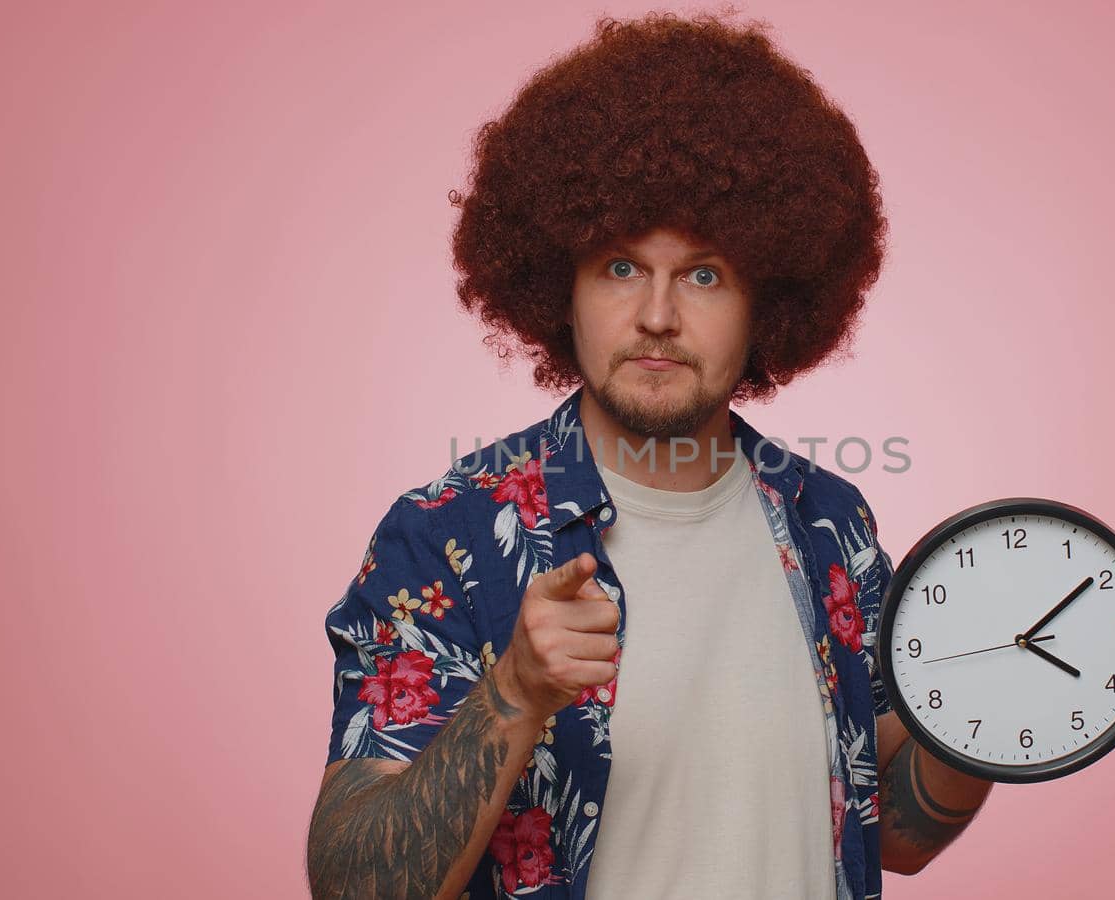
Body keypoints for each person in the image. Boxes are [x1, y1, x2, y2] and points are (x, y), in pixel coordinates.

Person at [305, 11, 993, 899]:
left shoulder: (831, 525)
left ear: (768, 299)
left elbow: (894, 830)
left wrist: (986, 705)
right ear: (563, 285)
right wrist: (513, 692)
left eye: (704, 274)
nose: (659, 315)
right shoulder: (446, 536)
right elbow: (353, 887)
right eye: (622, 267)